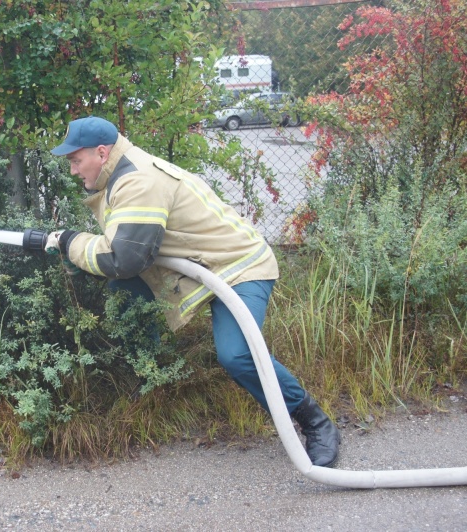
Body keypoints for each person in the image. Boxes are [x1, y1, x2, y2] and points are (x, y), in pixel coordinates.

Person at [45, 116, 340, 468]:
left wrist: (71, 242)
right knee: (122, 290)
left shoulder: (138, 182)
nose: (74, 170)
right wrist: (73, 254)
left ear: (102, 152)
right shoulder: (118, 175)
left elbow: (124, 258)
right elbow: (121, 256)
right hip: (202, 268)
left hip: (238, 267)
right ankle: (150, 378)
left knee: (238, 355)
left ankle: (315, 421)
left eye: (76, 160)